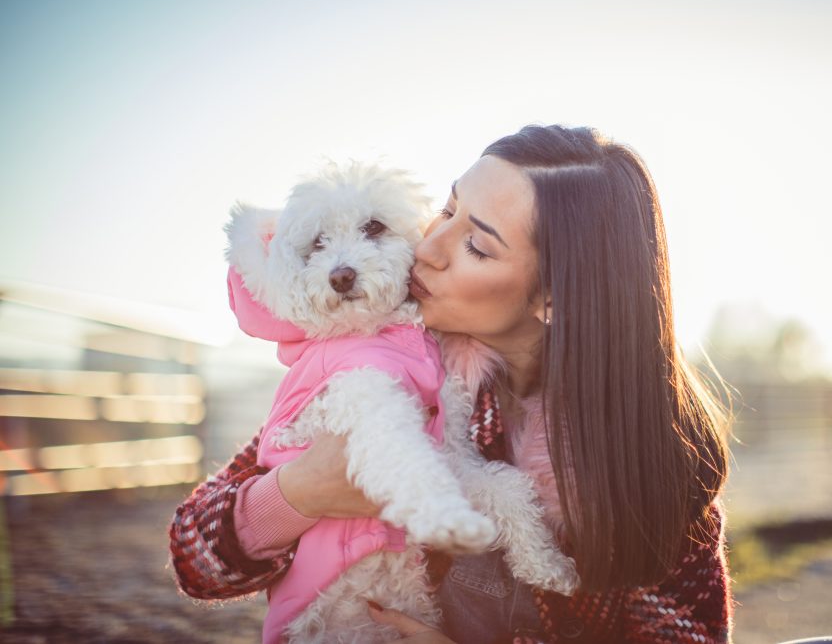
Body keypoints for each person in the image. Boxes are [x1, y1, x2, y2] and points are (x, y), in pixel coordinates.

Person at [169, 124, 734, 643]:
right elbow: (195, 559)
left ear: (555, 298)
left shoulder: (656, 463)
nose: (430, 247)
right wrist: (298, 492)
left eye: (476, 246)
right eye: (447, 209)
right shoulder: (388, 360)